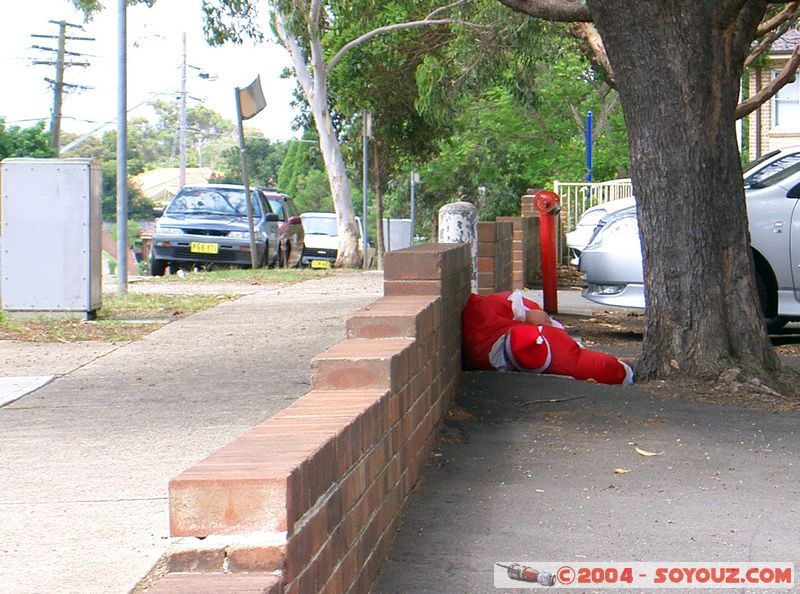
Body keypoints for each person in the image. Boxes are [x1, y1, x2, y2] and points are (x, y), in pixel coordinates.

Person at [462, 290, 634, 385]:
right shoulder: (538, 341)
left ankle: (623, 368)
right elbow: (579, 363)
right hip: (520, 339)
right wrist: (623, 370)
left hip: (497, 336)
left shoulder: (483, 317)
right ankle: (626, 368)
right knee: (566, 356)